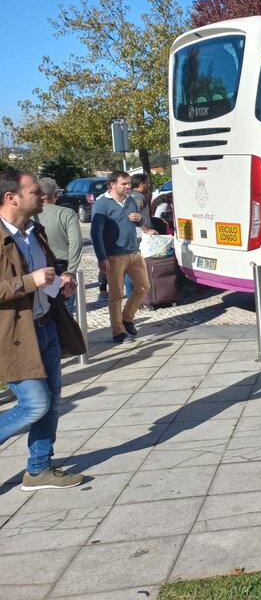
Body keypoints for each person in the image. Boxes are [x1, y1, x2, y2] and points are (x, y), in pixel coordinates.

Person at [0, 168, 87, 490]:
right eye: (34, 191)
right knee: (34, 405)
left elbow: (45, 274)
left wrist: (60, 281)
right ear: (12, 198)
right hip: (14, 337)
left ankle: (39, 469)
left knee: (51, 402)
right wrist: (28, 282)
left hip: (46, 325)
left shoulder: (34, 231)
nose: (42, 195)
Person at [90, 170, 150, 343]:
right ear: (112, 184)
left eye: (129, 183)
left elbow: (139, 221)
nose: (128, 186)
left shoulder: (130, 199)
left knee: (144, 286)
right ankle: (118, 331)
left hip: (133, 252)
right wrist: (102, 257)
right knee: (116, 295)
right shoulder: (101, 204)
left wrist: (139, 219)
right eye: (124, 184)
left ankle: (127, 317)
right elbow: (96, 233)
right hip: (114, 256)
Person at [35, 178, 83, 315]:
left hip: (35, 269)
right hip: (61, 268)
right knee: (64, 313)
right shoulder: (67, 213)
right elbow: (76, 243)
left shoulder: (28, 215)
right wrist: (70, 271)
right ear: (56, 194)